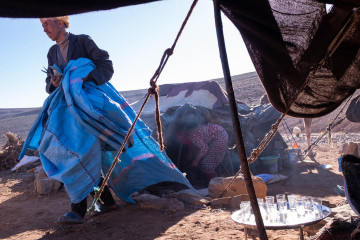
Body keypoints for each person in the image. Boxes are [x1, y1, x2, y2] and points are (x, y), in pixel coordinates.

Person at [40, 16, 117, 225]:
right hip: (66, 111)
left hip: (87, 107)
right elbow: (49, 83)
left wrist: (83, 77)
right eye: (42, 25)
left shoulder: (82, 41)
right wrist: (55, 81)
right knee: (72, 154)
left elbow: (106, 66)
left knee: (80, 154)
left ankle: (78, 209)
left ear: (60, 21)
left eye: (46, 23)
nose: (44, 28)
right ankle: (107, 201)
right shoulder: (52, 52)